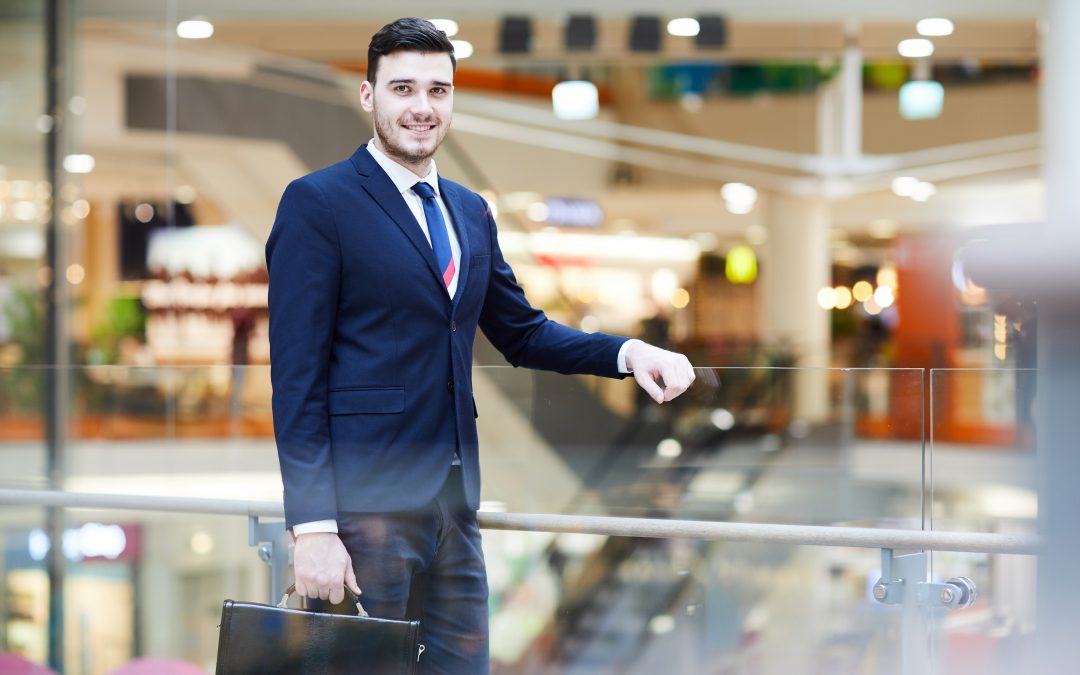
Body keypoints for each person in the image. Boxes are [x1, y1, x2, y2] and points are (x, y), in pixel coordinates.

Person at [266, 17, 695, 673]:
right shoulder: (318, 202)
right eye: (403, 88)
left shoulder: (469, 210)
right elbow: (296, 375)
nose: (421, 107)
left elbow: (521, 332)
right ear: (368, 95)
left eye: (438, 90)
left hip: (455, 505)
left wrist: (627, 354)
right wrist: (314, 525)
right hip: (364, 510)